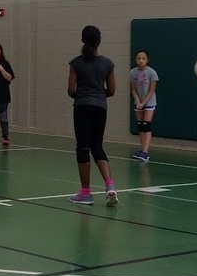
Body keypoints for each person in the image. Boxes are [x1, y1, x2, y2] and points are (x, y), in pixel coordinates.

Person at [67, 25, 118, 206]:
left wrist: (83, 95)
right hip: (100, 107)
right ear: (99, 41)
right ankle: (110, 185)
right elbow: (111, 90)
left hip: (81, 107)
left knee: (83, 148)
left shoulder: (76, 63)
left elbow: (70, 90)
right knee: (98, 146)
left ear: (82, 40)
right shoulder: (107, 64)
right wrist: (98, 95)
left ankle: (86, 193)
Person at [129, 50, 158, 161]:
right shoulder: (132, 72)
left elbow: (151, 90)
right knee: (140, 126)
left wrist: (143, 103)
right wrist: (137, 101)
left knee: (146, 125)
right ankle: (142, 150)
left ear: (147, 60)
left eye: (143, 58)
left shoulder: (152, 73)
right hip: (138, 102)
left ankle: (146, 152)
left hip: (149, 102)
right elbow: (133, 89)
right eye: (138, 58)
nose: (141, 61)